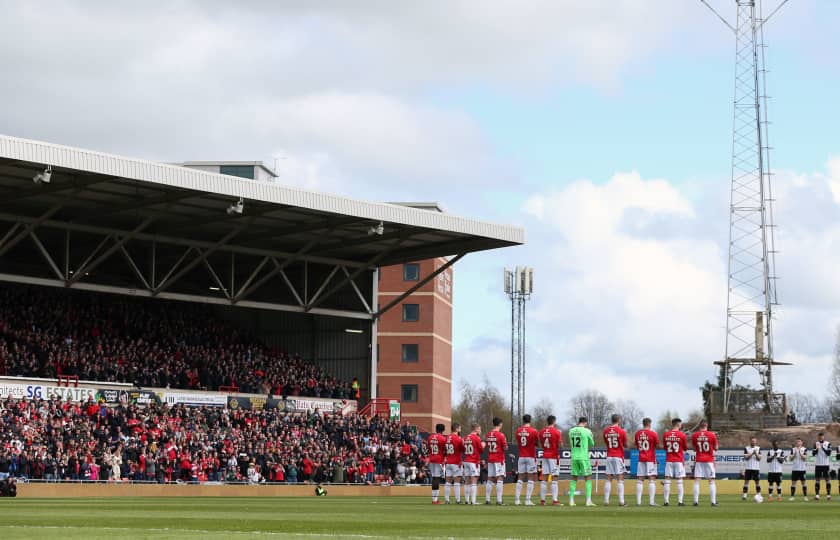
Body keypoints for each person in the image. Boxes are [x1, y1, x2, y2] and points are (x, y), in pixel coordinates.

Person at [568, 416, 596, 507]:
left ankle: (571, 500)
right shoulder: (587, 431)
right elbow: (592, 444)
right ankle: (588, 501)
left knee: (574, 478)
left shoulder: (571, 431)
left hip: (574, 457)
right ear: (585, 422)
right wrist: (591, 437)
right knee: (588, 477)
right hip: (583, 457)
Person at [691, 420, 718, 506]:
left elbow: (694, 449)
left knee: (697, 481)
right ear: (707, 426)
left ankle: (695, 501)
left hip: (699, 460)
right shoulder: (712, 435)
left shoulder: (695, 435)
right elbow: (716, 448)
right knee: (711, 481)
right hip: (709, 460)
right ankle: (713, 502)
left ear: (699, 426)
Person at [602, 413, 627, 506]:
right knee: (620, 478)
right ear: (619, 420)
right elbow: (625, 444)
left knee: (608, 478)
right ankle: (621, 501)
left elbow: (606, 443)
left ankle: (606, 500)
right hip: (618, 456)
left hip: (609, 456)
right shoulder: (621, 431)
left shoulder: (605, 431)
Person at [662, 417, 687, 506]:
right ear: (678, 424)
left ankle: (666, 501)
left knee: (667, 480)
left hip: (669, 460)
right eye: (680, 424)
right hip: (678, 460)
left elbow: (665, 447)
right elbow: (685, 448)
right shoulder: (682, 435)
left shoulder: (666, 434)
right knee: (679, 480)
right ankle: (680, 501)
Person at [514, 414, 539, 506]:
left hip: (521, 456)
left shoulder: (518, 431)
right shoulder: (534, 431)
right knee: (530, 478)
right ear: (530, 420)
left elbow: (518, 441)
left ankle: (517, 500)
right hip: (530, 456)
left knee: (520, 477)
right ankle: (527, 500)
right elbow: (537, 442)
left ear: (523, 420)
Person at [634, 417, 659, 506]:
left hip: (641, 458)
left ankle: (638, 502)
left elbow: (636, 445)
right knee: (652, 480)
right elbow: (657, 444)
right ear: (649, 424)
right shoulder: (653, 433)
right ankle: (651, 502)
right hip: (650, 458)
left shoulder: (637, 434)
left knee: (640, 480)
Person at [538, 415, 562, 506]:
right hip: (553, 456)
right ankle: (555, 500)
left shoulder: (541, 432)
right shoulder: (556, 432)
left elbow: (541, 443)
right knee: (555, 477)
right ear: (554, 421)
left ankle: (542, 500)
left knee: (544, 478)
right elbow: (560, 445)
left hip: (545, 455)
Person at [484, 417, 507, 506]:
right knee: (500, 478)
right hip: (499, 459)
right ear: (500, 423)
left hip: (490, 458)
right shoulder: (501, 435)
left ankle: (487, 499)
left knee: (490, 479)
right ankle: (499, 500)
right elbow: (505, 447)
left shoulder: (488, 434)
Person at [462, 423, 484, 505]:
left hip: (466, 460)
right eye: (480, 429)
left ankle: (467, 500)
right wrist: (483, 445)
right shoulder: (477, 438)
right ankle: (473, 501)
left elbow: (463, 448)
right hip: (473, 461)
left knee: (467, 480)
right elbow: (481, 450)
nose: (480, 431)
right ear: (476, 429)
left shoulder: (465, 437)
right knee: (474, 480)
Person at [443, 423, 464, 504]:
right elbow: (463, 449)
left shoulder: (447, 437)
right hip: (456, 462)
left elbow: (445, 449)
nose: (460, 430)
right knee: (457, 482)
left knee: (447, 482)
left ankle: (447, 500)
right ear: (457, 429)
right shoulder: (458, 438)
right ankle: (458, 500)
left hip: (448, 462)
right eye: (460, 428)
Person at [427, 423, 447, 505]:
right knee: (436, 478)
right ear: (443, 430)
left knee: (434, 478)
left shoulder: (430, 437)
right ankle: (435, 500)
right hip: (439, 460)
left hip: (431, 459)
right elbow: (445, 450)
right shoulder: (443, 438)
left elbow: (428, 448)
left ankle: (434, 499)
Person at [813, 432, 832, 501]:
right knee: (817, 480)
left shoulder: (828, 444)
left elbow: (829, 454)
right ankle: (817, 495)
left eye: (822, 437)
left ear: (824, 437)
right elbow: (813, 453)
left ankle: (828, 495)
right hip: (818, 465)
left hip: (825, 465)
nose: (821, 438)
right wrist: (817, 449)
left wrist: (822, 447)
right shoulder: (816, 444)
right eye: (819, 437)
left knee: (827, 480)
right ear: (818, 437)